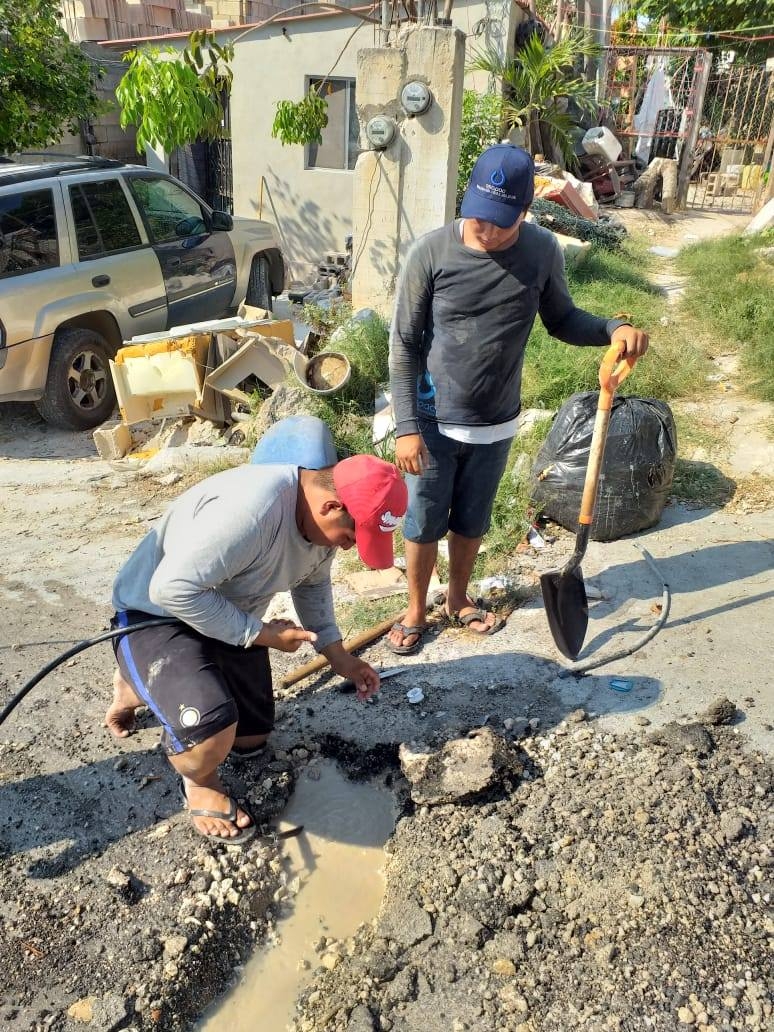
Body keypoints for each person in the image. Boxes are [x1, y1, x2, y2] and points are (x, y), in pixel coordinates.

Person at [386, 144, 649, 655]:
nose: (486, 231)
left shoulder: (541, 251)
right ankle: (416, 608)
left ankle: (457, 599)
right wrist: (405, 426)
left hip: (495, 420)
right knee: (422, 520)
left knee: (472, 518)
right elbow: (403, 343)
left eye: (501, 222)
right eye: (479, 218)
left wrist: (613, 328)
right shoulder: (430, 253)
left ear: (525, 211)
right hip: (432, 420)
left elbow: (562, 320)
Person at [105, 452, 407, 844]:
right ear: (331, 506)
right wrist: (260, 634)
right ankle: (199, 784)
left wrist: (339, 657)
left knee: (251, 741)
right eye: (350, 537)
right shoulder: (253, 513)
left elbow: (312, 585)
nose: (348, 549)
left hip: (225, 616)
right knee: (210, 735)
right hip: (157, 615)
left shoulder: (319, 521)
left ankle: (141, 684)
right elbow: (171, 589)